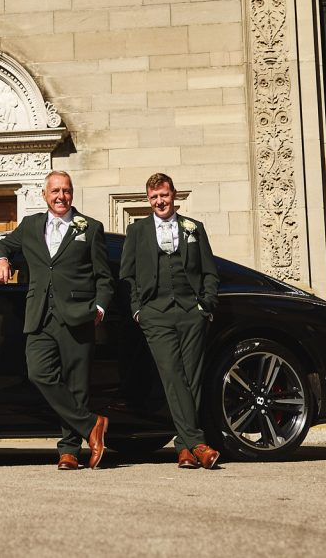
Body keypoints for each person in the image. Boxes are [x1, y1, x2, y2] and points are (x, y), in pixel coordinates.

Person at [0, 170, 114, 470]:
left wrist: (99, 308)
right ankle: (92, 425)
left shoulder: (91, 227)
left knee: (77, 385)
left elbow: (104, 277)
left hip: (78, 315)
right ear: (44, 195)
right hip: (40, 316)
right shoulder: (31, 225)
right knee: (38, 372)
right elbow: (3, 245)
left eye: (66, 190)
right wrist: (0, 259)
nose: (61, 196)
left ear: (72, 194)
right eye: (55, 191)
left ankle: (69, 451)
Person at [120, 172, 221, 469]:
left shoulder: (194, 228)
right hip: (155, 313)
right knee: (173, 374)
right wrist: (138, 309)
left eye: (163, 195)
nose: (159, 201)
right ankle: (198, 442)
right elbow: (127, 274)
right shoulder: (137, 231)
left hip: (192, 311)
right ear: (148, 199)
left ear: (173, 195)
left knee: (192, 378)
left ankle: (184, 449)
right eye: (153, 197)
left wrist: (206, 305)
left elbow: (209, 272)